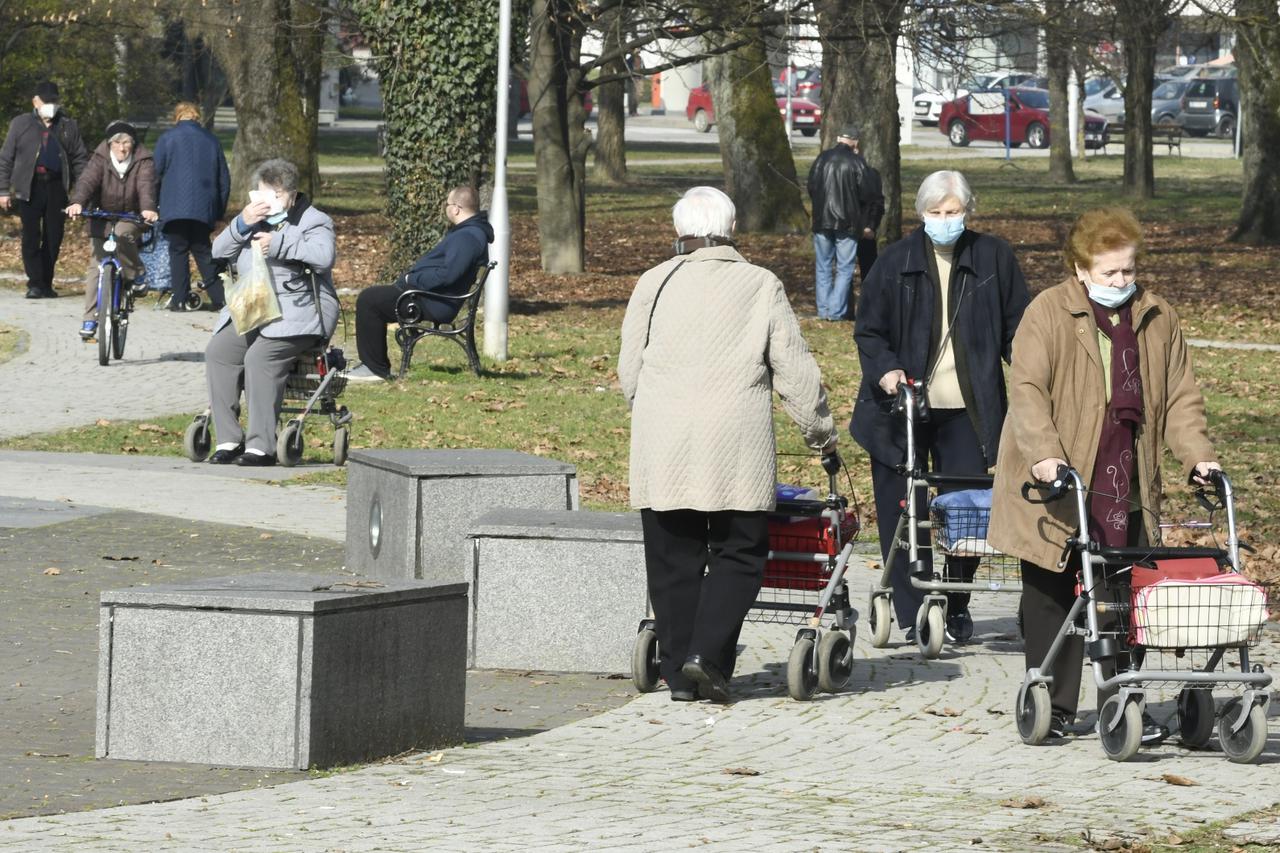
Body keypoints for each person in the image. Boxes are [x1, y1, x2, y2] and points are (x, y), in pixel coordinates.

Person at [990, 207, 1220, 742]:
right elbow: (1026, 392)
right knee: (1054, 589)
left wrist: (1197, 455)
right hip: (1059, 479)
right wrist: (1045, 453)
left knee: (1124, 590)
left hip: (1127, 475)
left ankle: (1124, 696)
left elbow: (1181, 397)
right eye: (1109, 273)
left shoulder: (1157, 316)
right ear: (1079, 269)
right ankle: (1055, 700)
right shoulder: (1046, 313)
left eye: (1128, 271)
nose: (1121, 282)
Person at [619, 186, 839, 703]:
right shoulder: (760, 284)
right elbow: (794, 371)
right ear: (732, 228)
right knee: (740, 550)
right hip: (736, 444)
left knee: (673, 556)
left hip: (663, 442)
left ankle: (678, 675)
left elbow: (630, 369)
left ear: (680, 231)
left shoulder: (651, 283)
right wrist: (821, 434)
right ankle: (706, 654)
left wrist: (654, 410)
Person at [851, 170, 1030, 644]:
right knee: (903, 506)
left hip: (968, 409)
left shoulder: (994, 257)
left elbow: (1020, 327)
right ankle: (913, 608)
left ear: (968, 212)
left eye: (952, 213)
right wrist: (886, 369)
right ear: (921, 214)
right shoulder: (894, 262)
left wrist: (1034, 372)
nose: (944, 221)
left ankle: (954, 601)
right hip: (900, 408)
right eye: (935, 213)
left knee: (965, 510)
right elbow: (869, 329)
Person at [204, 159, 338, 466]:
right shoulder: (252, 218)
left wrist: (278, 243)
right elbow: (218, 252)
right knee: (219, 352)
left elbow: (323, 256)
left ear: (291, 195)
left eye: (277, 195)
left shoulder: (314, 220)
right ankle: (228, 439)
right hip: (255, 307)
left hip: (300, 311)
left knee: (259, 357)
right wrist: (241, 223)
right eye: (264, 194)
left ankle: (261, 446)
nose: (269, 202)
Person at [347, 185, 492, 382]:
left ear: (456, 208)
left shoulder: (467, 237)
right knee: (374, 296)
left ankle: (374, 368)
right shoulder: (470, 232)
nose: (446, 208)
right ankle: (373, 365)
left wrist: (412, 279)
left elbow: (448, 275)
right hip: (429, 297)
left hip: (435, 302)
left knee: (369, 300)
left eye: (447, 204)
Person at [64, 121, 158, 340]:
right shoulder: (100, 158)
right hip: (101, 215)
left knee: (125, 234)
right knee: (96, 266)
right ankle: (89, 319)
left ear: (133, 144)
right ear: (109, 144)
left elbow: (146, 187)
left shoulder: (144, 160)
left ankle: (135, 274)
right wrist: (77, 202)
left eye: (126, 143)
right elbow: (87, 181)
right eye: (117, 143)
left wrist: (148, 209)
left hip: (131, 216)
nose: (122, 148)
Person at [0, 81, 89, 299]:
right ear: (35, 101)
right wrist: (3, 190)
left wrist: (82, 193)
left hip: (57, 186)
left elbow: (79, 159)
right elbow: (6, 158)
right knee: (31, 235)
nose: (50, 105)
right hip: (29, 185)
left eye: (53, 101)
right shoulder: (21, 124)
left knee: (54, 235)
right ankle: (35, 283)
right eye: (45, 101)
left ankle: (47, 282)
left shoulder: (68, 125)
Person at [153, 101, 231, 311]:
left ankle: (179, 299)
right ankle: (219, 299)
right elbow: (224, 178)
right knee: (203, 250)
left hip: (173, 206)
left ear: (177, 117)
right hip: (203, 207)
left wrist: (153, 204)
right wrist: (218, 210)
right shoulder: (211, 141)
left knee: (177, 250)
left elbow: (155, 174)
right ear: (196, 117)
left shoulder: (167, 139)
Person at [806, 123, 873, 321]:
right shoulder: (857, 162)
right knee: (845, 268)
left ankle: (823, 309)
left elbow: (811, 186)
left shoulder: (822, 158)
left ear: (838, 139)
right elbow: (866, 194)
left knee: (823, 266)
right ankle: (835, 312)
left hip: (822, 221)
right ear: (855, 142)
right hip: (848, 223)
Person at [847, 152, 885, 321]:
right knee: (845, 271)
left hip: (860, 228)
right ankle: (848, 309)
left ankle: (869, 309)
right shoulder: (846, 172)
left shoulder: (870, 174)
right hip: (848, 229)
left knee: (868, 271)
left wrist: (870, 225)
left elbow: (876, 202)